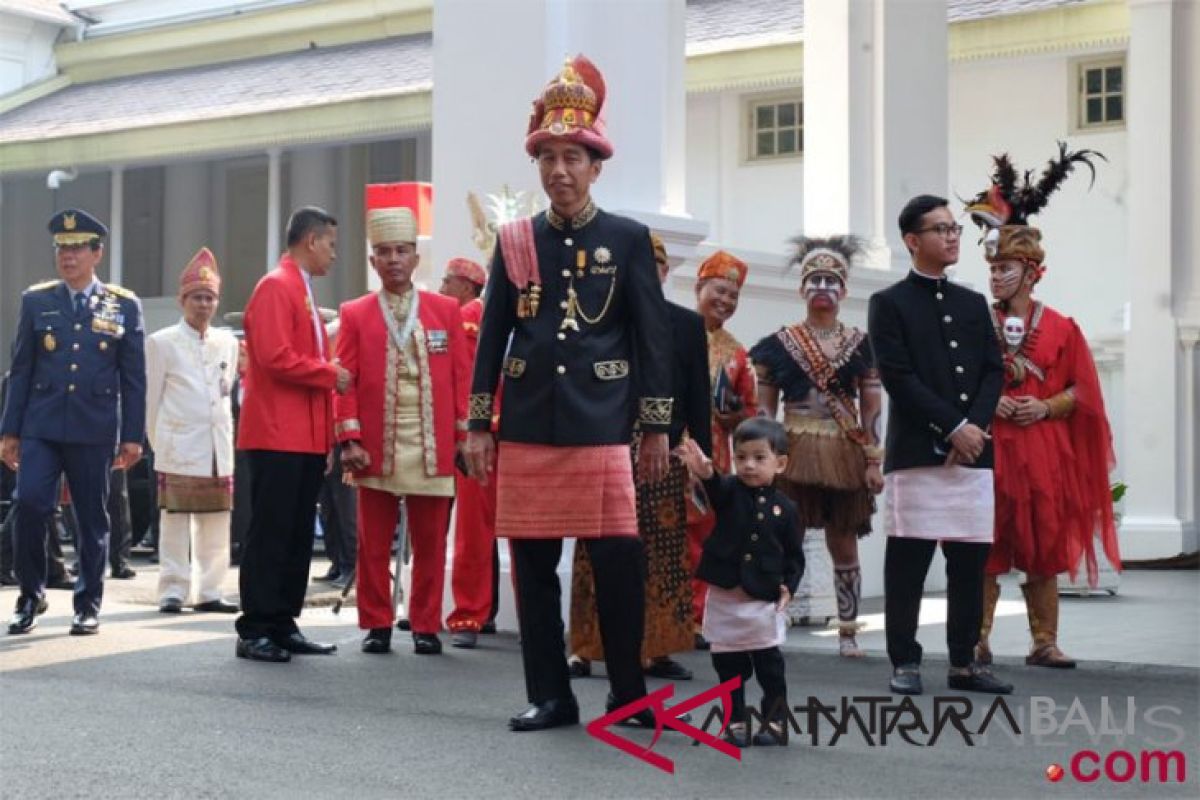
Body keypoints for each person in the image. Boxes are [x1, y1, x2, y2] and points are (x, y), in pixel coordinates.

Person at [465, 54, 673, 732]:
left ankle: (627, 694)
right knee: (531, 569)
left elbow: (651, 341)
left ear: (595, 165)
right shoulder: (516, 242)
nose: (559, 170)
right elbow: (492, 336)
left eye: (572, 157)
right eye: (548, 157)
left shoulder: (629, 239)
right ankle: (550, 695)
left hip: (602, 425)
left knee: (617, 563)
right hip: (527, 423)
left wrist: (655, 428)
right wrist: (477, 424)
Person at [964, 145, 1119, 668]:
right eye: (992, 267)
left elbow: (1084, 392)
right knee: (984, 545)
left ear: (1031, 271)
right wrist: (995, 404)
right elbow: (960, 386)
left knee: (1045, 543)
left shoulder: (1062, 327)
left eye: (1006, 266)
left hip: (1042, 452)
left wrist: (1046, 407)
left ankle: (1043, 640)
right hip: (989, 449)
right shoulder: (973, 323)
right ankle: (977, 636)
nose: (996, 276)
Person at [867, 195, 1012, 695]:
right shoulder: (889, 304)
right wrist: (953, 428)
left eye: (954, 229)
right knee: (908, 563)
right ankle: (904, 659)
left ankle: (964, 662)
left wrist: (973, 428)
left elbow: (994, 370)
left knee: (969, 565)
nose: (952, 237)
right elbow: (899, 377)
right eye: (940, 229)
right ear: (912, 241)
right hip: (917, 455)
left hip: (974, 454)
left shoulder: (972, 303)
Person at [568, 234, 713, 681]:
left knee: (665, 551)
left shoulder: (686, 324)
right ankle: (586, 647)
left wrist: (701, 459)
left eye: (655, 265)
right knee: (596, 550)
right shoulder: (596, 319)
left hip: (664, 452)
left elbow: (696, 393)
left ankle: (659, 646)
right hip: (605, 449)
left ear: (666, 273)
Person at [2, 208, 145, 636]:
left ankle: (88, 603)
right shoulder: (37, 301)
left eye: (78, 248)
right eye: (62, 248)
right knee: (30, 504)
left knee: (90, 516)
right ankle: (31, 593)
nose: (68, 256)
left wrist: (133, 436)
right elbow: (21, 369)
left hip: (93, 426)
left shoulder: (122, 304)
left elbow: (134, 377)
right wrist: (9, 430)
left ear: (97, 253)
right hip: (41, 425)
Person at [336, 206, 470, 655]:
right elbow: (345, 378)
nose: (394, 259)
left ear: (416, 258)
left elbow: (461, 377)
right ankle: (376, 622)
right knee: (372, 541)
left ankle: (427, 623)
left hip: (433, 441)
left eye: (402, 251)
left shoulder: (446, 310)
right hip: (376, 441)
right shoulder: (354, 312)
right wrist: (349, 438)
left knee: (431, 542)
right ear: (373, 261)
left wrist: (464, 436)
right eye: (384, 252)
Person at [750, 235, 884, 657]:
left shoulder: (863, 346)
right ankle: (771, 623)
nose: (822, 287)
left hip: (844, 451)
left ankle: (848, 632)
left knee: (844, 541)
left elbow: (872, 407)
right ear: (801, 288)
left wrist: (874, 461)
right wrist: (762, 461)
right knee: (780, 537)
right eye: (815, 279)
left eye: (831, 280)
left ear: (844, 290)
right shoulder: (778, 346)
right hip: (793, 449)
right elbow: (765, 412)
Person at [234, 206, 350, 663]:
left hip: (301, 437)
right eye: (331, 244)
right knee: (272, 533)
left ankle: (282, 621)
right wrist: (329, 373)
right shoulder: (276, 287)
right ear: (310, 241)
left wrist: (322, 440)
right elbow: (274, 356)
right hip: (276, 433)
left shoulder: (297, 289)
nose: (334, 255)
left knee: (298, 534)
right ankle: (256, 627)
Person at [679, 418, 803, 748]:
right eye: (741, 456)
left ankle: (776, 720)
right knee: (728, 666)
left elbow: (794, 556)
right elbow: (716, 488)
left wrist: (789, 586)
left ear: (781, 463)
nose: (749, 465)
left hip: (763, 597)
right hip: (725, 594)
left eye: (759, 458)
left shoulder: (787, 509)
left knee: (770, 666)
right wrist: (706, 472)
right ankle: (735, 720)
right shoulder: (730, 491)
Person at [145, 247, 240, 615]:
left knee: (217, 522)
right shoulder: (161, 341)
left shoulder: (228, 342)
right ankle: (172, 589)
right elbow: (151, 400)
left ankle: (211, 590)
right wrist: (159, 443)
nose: (203, 304)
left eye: (210, 297)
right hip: (177, 443)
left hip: (217, 444)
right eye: (197, 297)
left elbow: (226, 389)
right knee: (175, 521)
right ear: (181, 300)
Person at [687, 250, 757, 648]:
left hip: (714, 458)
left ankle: (698, 618)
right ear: (699, 287)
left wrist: (733, 417)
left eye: (733, 295)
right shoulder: (673, 332)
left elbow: (751, 412)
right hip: (667, 452)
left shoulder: (737, 353)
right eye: (719, 291)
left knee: (704, 539)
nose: (725, 301)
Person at [441, 256, 501, 648]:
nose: (443, 287)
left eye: (448, 281)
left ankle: (475, 612)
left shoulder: (472, 317)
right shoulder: (474, 316)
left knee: (480, 530)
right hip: (494, 432)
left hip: (497, 433)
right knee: (478, 529)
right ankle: (474, 613)